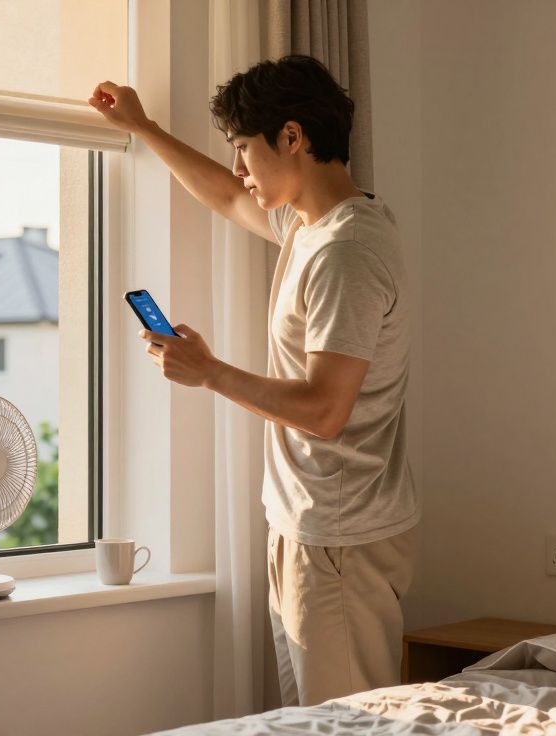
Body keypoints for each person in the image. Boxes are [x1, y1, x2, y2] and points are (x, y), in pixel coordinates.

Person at [89, 55, 418, 707]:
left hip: (339, 538)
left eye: (244, 148)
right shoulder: (309, 227)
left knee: (349, 724)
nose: (239, 166)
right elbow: (227, 195)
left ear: (292, 137)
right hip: (306, 527)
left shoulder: (347, 253)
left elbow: (326, 409)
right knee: (310, 721)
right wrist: (144, 128)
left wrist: (210, 373)